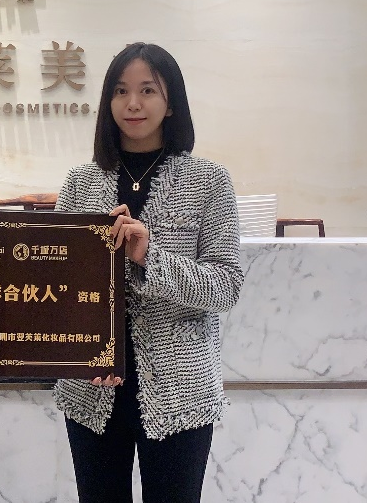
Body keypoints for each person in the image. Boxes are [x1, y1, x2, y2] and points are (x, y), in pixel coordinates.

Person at [53, 42, 243, 503]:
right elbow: (59, 287)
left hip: (180, 387)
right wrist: (81, 352)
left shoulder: (209, 181)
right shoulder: (80, 182)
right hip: (92, 387)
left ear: (171, 102)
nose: (132, 103)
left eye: (147, 90)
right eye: (120, 91)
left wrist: (149, 258)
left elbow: (226, 286)